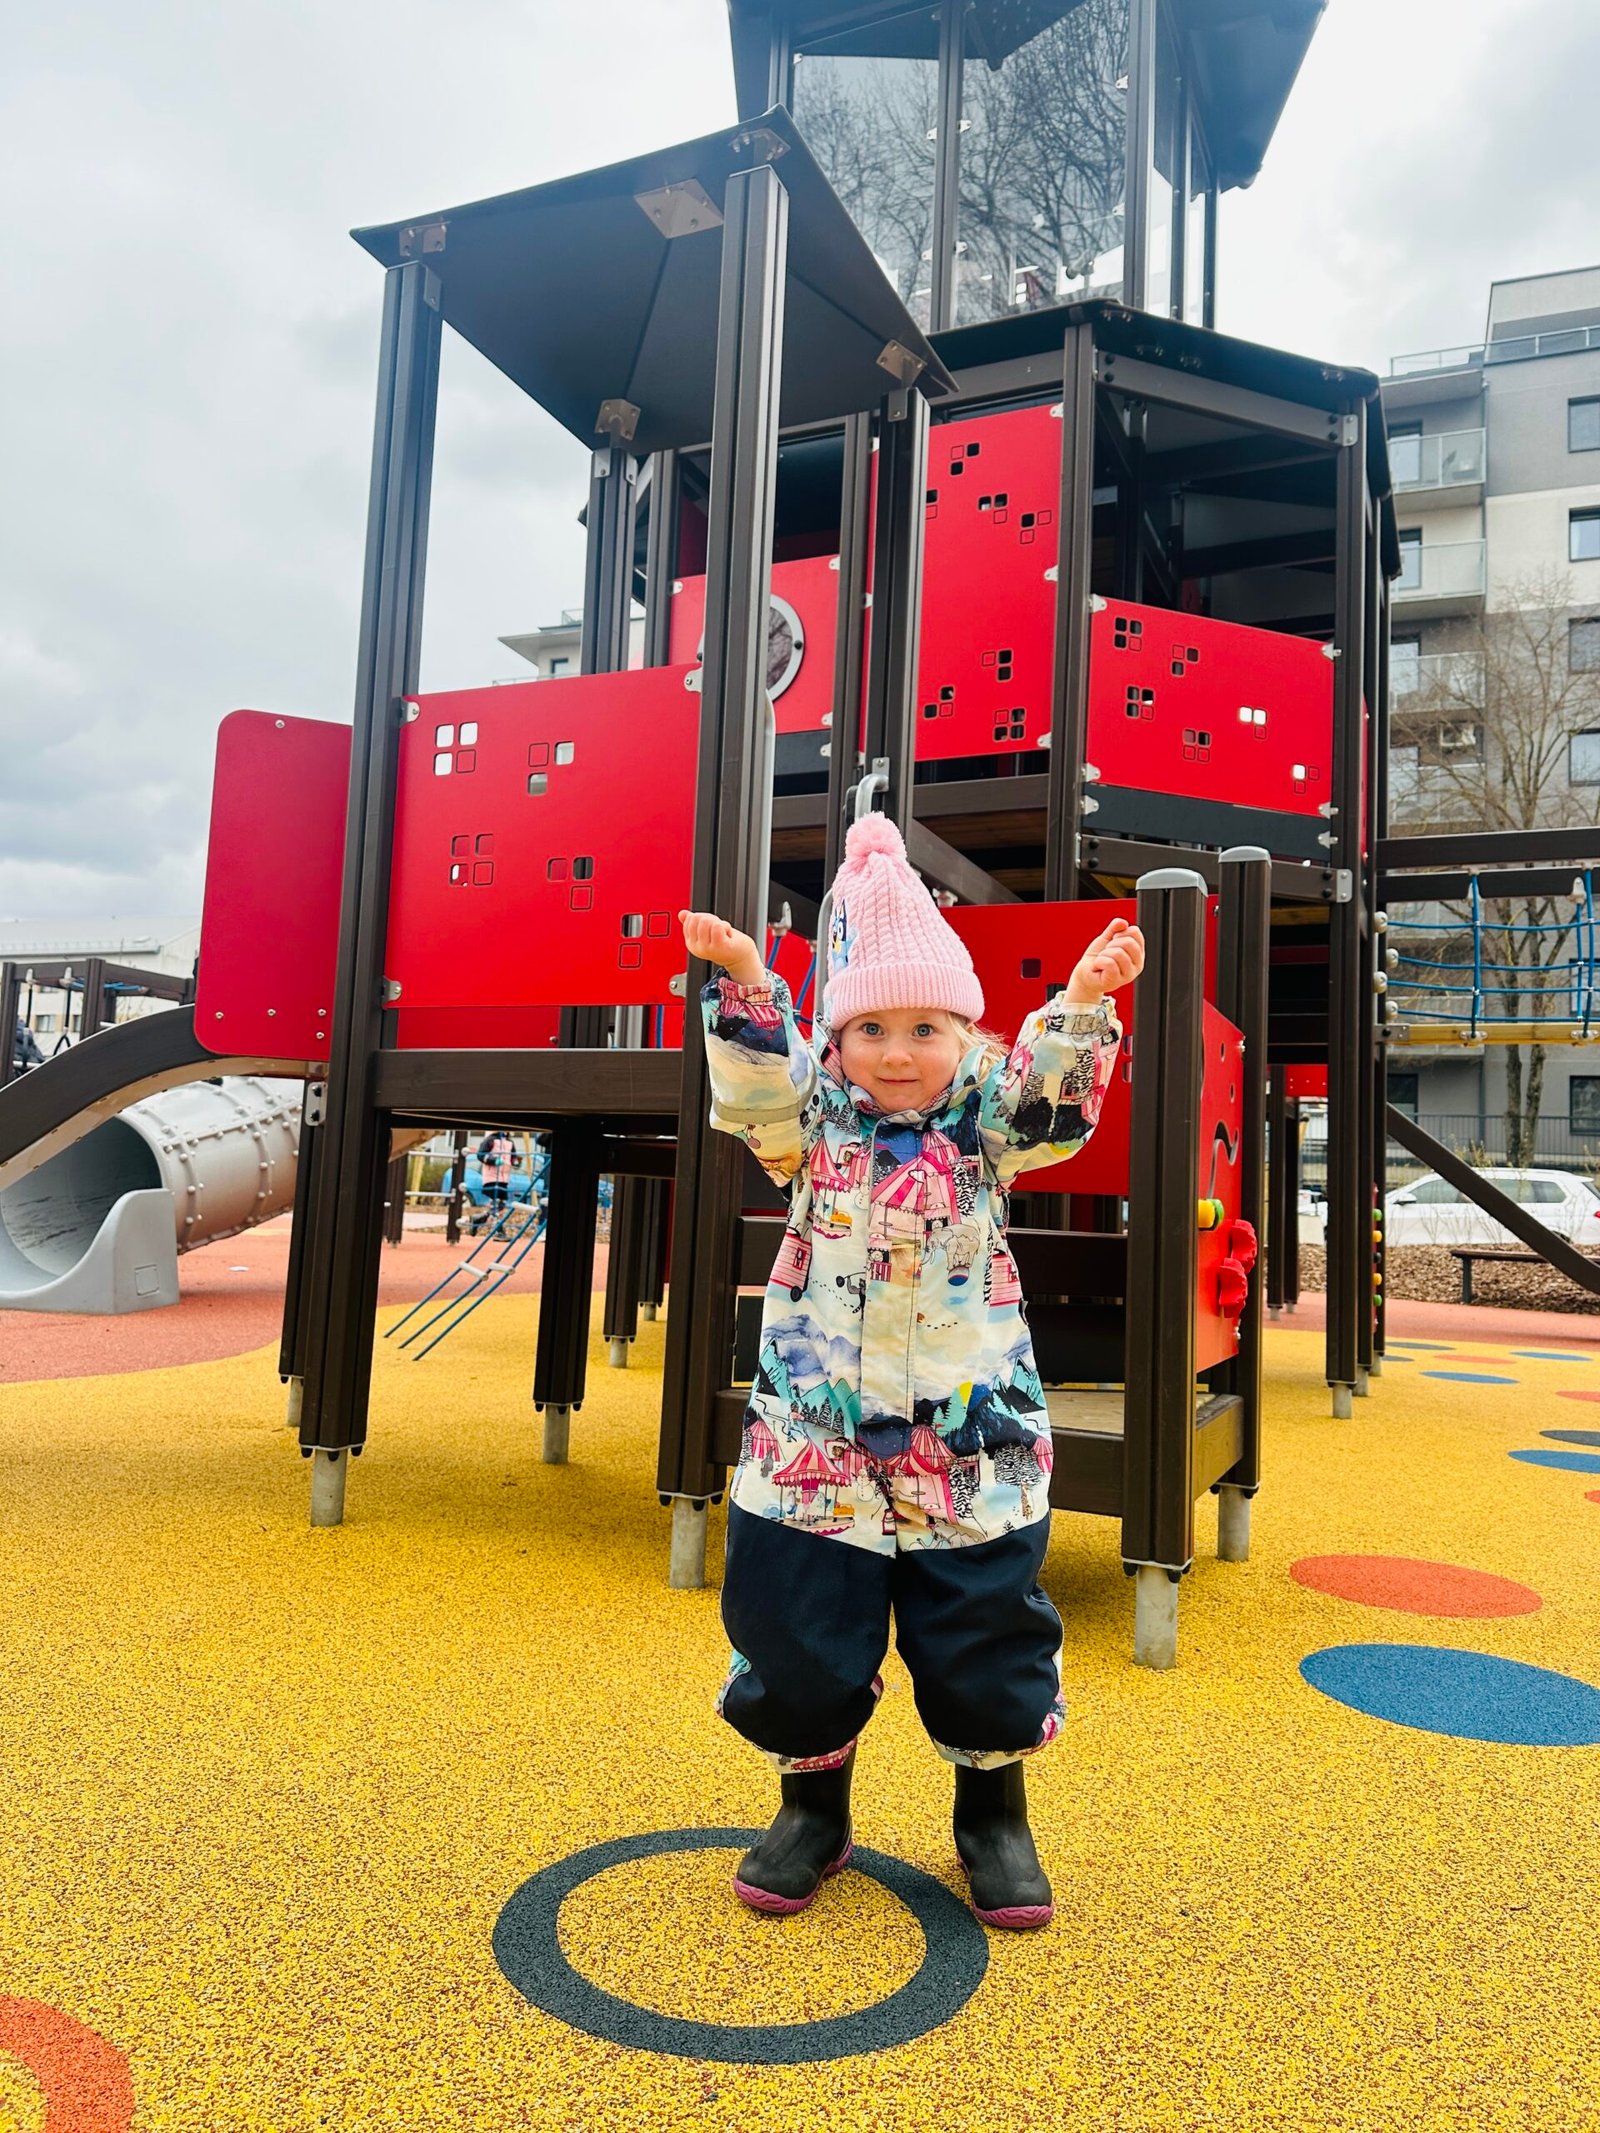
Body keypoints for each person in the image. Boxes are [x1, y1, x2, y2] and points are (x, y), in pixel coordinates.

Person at [681, 813, 1144, 1932]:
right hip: (815, 1439)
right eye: (871, 1027)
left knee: (983, 1629)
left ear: (966, 1034)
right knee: (794, 1628)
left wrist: (1082, 1002)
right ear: (836, 1042)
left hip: (966, 1435)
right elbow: (753, 1091)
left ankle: (993, 1808)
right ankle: (812, 1804)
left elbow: (1052, 1110)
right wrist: (748, 979)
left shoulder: (985, 1123)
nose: (897, 1051)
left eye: (926, 1027)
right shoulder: (810, 1126)